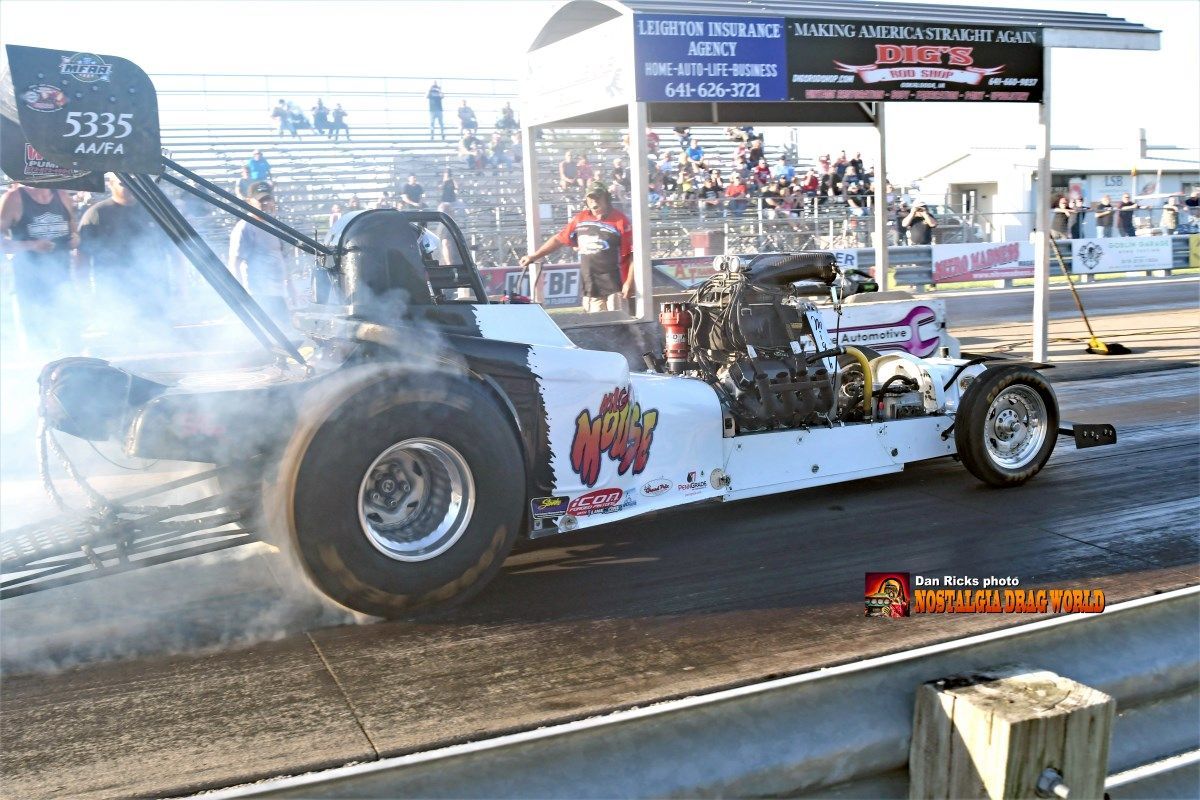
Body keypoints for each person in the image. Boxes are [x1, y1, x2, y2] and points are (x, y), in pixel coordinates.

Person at [518, 181, 633, 313]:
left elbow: (633, 254)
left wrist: (629, 282)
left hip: (616, 285)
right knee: (596, 321)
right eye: (591, 198)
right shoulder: (580, 219)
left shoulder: (620, 220)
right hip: (591, 285)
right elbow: (559, 239)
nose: (594, 201)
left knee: (619, 320)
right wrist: (534, 256)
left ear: (606, 198)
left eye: (598, 197)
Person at [77, 172, 177, 319]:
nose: (130, 186)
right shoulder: (96, 214)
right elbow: (82, 259)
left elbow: (175, 251)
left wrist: (180, 289)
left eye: (134, 181)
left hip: (155, 293)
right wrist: (86, 296)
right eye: (123, 183)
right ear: (110, 184)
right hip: (115, 297)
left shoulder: (155, 210)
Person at [0, 183, 80, 351]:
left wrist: (75, 239)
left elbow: (73, 229)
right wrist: (32, 245)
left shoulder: (62, 195)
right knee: (38, 342)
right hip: (29, 284)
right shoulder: (14, 198)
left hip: (62, 280)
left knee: (71, 337)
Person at [227, 185, 295, 330]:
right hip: (258, 293)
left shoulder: (273, 225)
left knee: (287, 332)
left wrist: (291, 290)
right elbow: (235, 262)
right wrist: (240, 294)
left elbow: (281, 259)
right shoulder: (245, 227)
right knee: (269, 333)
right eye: (261, 200)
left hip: (277, 293)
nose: (265, 203)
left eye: (268, 199)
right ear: (249, 201)